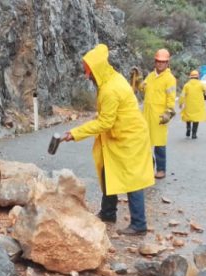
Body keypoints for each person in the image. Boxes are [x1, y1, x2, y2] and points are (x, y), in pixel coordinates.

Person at [62, 43, 154, 236]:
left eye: (89, 73)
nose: (87, 76)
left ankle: (139, 224)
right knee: (108, 171)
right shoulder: (110, 79)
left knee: (132, 180)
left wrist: (75, 133)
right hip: (118, 135)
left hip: (130, 138)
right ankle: (108, 212)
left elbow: (105, 123)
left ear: (97, 70)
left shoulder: (110, 89)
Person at [141, 48, 176, 179]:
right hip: (146, 116)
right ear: (155, 62)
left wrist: (169, 112)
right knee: (145, 143)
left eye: (163, 62)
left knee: (159, 144)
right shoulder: (150, 76)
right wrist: (138, 80)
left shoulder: (169, 79)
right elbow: (142, 88)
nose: (160, 64)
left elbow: (171, 98)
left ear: (167, 63)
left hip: (160, 117)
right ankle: (149, 168)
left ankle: (161, 169)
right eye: (158, 61)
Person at [179, 70, 206, 139]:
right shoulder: (201, 84)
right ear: (197, 77)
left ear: (190, 77)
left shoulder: (187, 85)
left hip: (188, 105)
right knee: (196, 119)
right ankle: (194, 134)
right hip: (198, 106)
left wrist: (180, 103)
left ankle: (188, 128)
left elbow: (182, 95)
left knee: (188, 117)